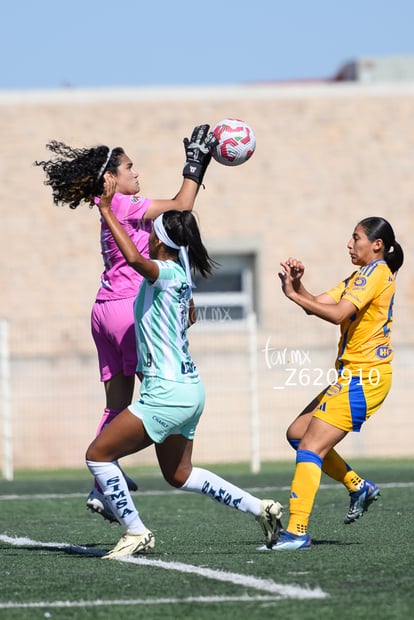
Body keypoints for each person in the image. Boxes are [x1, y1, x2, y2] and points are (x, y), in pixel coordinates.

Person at [85, 174, 283, 559]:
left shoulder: (165, 273)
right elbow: (181, 308)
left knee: (98, 455)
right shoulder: (180, 278)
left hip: (167, 391)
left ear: (159, 240)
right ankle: (261, 508)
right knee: (179, 475)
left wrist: (107, 209)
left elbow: (134, 259)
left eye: (150, 232)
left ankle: (136, 530)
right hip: (190, 390)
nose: (146, 235)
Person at [35, 125, 217, 518]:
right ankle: (141, 466)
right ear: (110, 179)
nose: (137, 173)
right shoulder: (122, 204)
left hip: (102, 310)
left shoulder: (113, 208)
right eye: (130, 167)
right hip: (128, 311)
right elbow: (181, 208)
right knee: (156, 392)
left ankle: (103, 481)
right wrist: (196, 165)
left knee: (116, 404)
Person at [269, 216, 404, 551]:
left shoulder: (378, 272)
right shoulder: (362, 275)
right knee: (298, 434)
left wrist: (294, 296)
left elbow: (338, 314)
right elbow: (321, 304)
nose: (349, 243)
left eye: (356, 237)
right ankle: (358, 486)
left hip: (365, 378)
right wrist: (298, 286)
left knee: (310, 448)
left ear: (377, 245)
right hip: (353, 376)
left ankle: (297, 531)